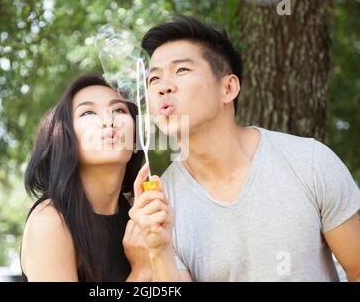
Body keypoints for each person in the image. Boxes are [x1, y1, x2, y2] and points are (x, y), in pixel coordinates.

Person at [129, 16, 360, 281]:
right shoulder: (160, 203)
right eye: (154, 78)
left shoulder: (309, 162)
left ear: (228, 88)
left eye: (181, 70)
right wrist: (159, 250)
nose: (163, 87)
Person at [21, 74, 151, 281]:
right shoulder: (50, 222)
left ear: (136, 140)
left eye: (119, 110)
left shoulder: (141, 216)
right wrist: (141, 272)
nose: (109, 121)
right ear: (64, 139)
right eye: (88, 112)